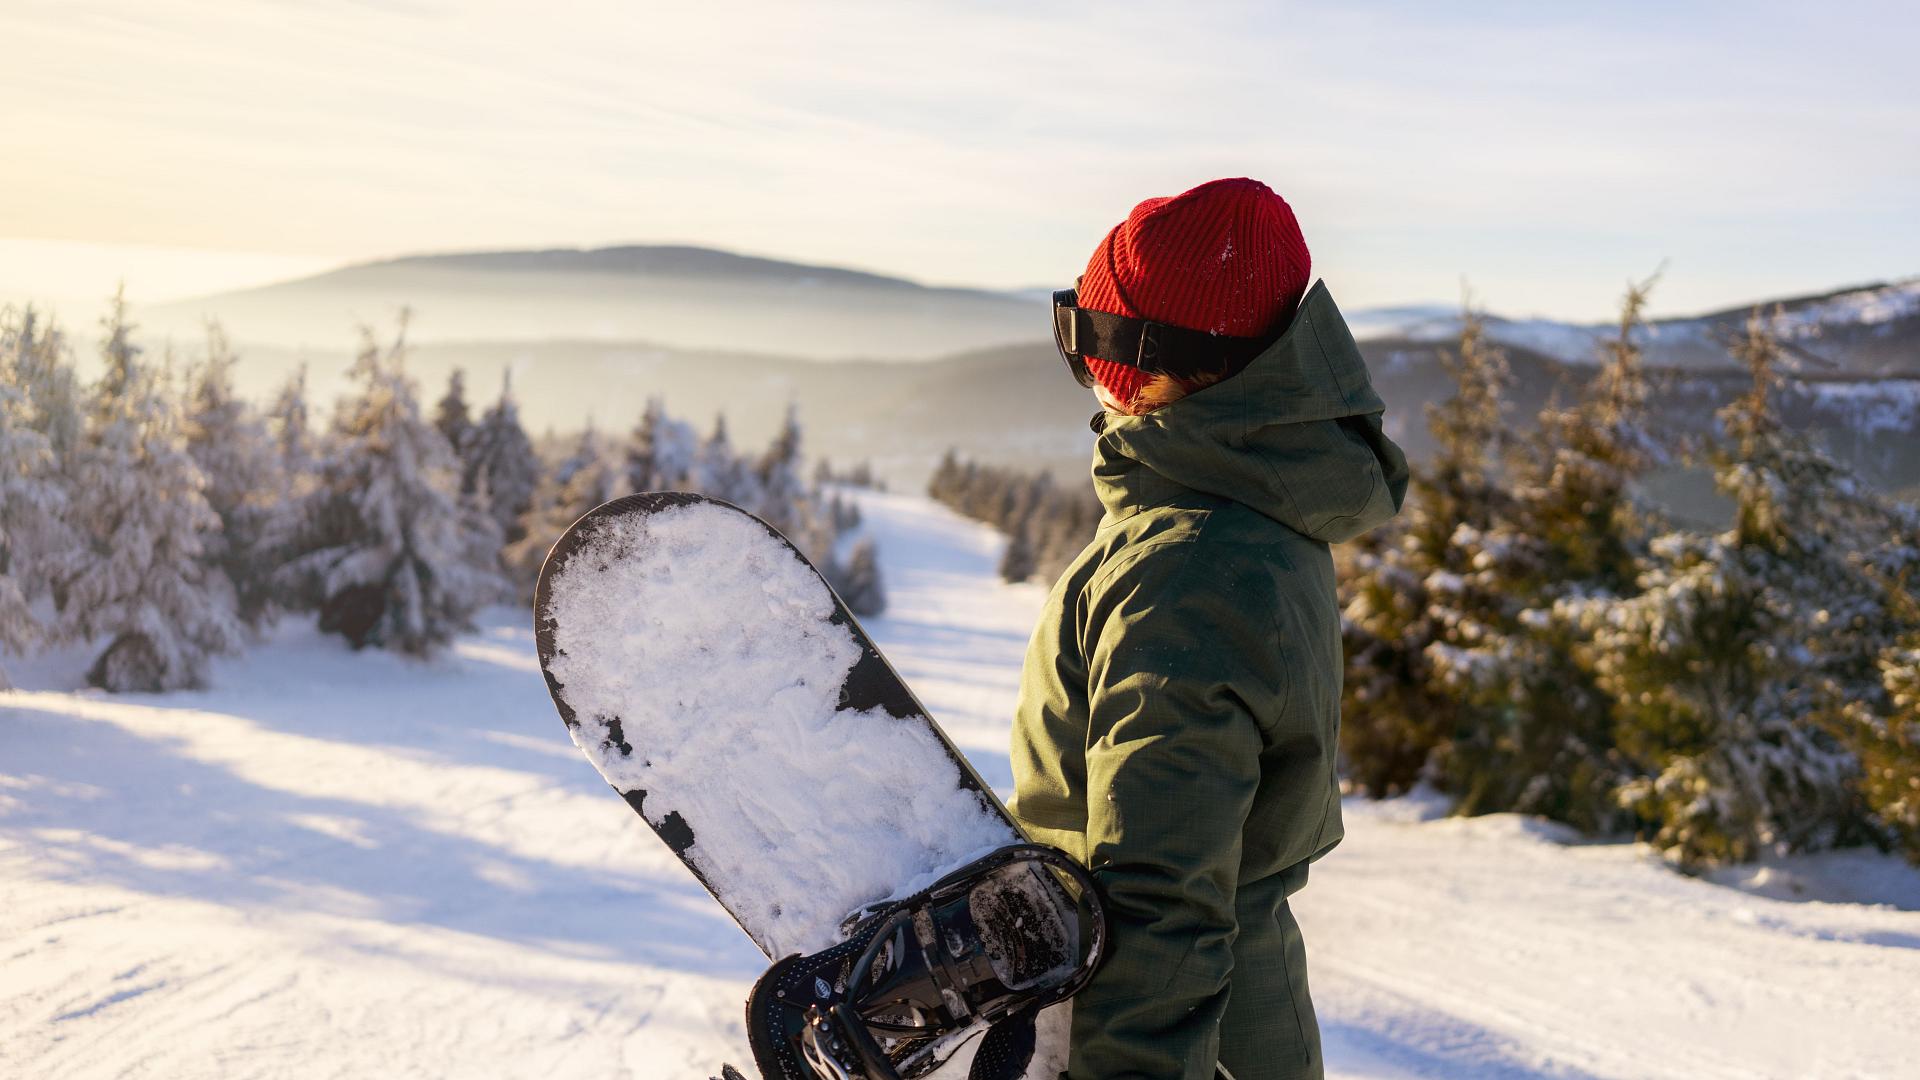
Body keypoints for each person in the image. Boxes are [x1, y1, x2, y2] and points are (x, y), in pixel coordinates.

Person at [1008, 177, 1408, 1080]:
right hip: (1209, 1018)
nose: (1091, 380)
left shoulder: (1187, 572)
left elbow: (1159, 898)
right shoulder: (1240, 514)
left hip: (1175, 1040)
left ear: (1156, 365)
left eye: (1090, 343)